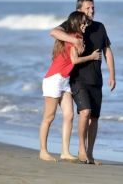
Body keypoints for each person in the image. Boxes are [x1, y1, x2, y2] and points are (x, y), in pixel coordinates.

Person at [50, 0, 116, 165]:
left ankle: (90, 154)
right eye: (88, 8)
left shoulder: (100, 27)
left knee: (94, 118)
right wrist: (73, 39)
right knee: (84, 112)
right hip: (78, 78)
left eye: (93, 7)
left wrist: (112, 74)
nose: (91, 11)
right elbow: (54, 32)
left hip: (96, 79)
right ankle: (81, 148)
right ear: (79, 10)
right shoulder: (73, 25)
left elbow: (107, 51)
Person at [39, 11, 102, 162]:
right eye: (83, 22)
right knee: (49, 117)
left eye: (86, 22)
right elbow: (74, 60)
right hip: (54, 79)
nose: (85, 24)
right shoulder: (75, 37)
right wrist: (92, 57)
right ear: (75, 23)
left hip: (64, 80)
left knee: (69, 115)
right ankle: (43, 151)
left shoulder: (76, 37)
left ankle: (65, 152)